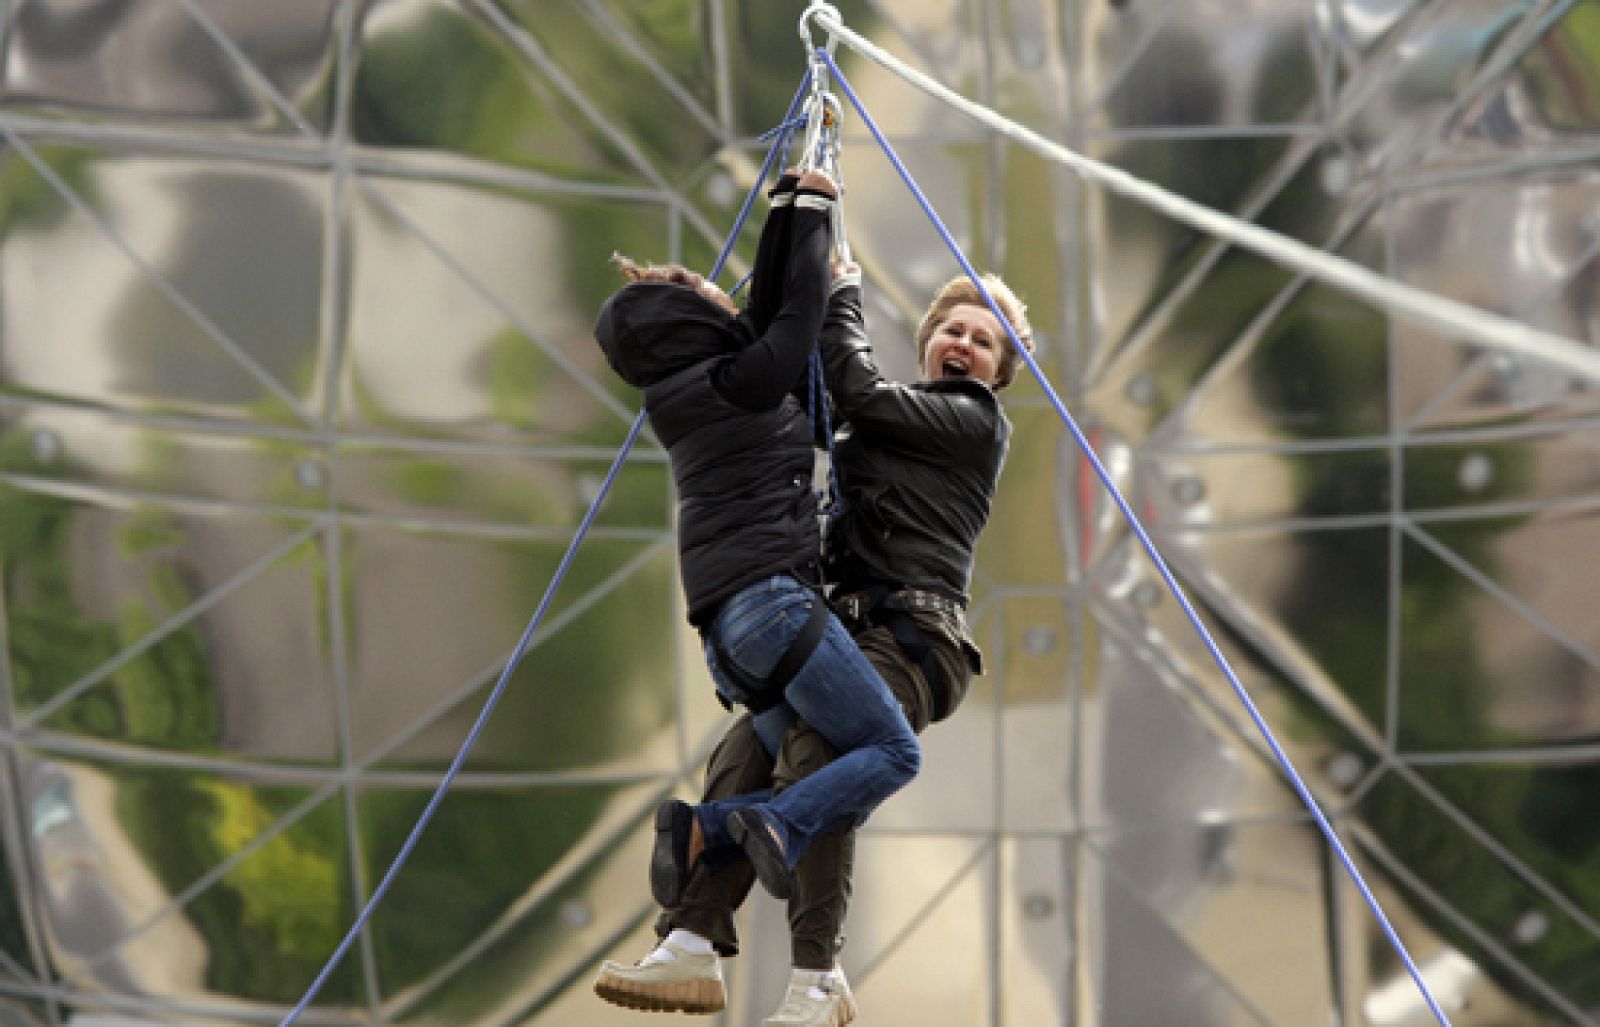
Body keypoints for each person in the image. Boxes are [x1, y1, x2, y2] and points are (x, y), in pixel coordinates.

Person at [595, 262, 1034, 1026]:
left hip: (914, 636)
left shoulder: (974, 420)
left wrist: (844, 293)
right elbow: (816, 390)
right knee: (742, 751)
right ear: (928, 342)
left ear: (998, 374)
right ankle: (695, 936)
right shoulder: (897, 417)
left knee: (823, 757)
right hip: (847, 626)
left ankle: (816, 973)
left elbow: (856, 387)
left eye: (983, 342)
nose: (963, 345)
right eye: (952, 331)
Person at [589, 168, 924, 1016]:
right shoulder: (734, 385)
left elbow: (774, 318)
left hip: (732, 638)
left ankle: (712, 891)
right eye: (693, 286)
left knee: (809, 767)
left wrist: (793, 210)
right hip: (773, 610)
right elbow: (795, 322)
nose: (710, 284)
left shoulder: (701, 389)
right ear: (678, 321)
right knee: (890, 752)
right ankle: (747, 830)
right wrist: (809, 215)